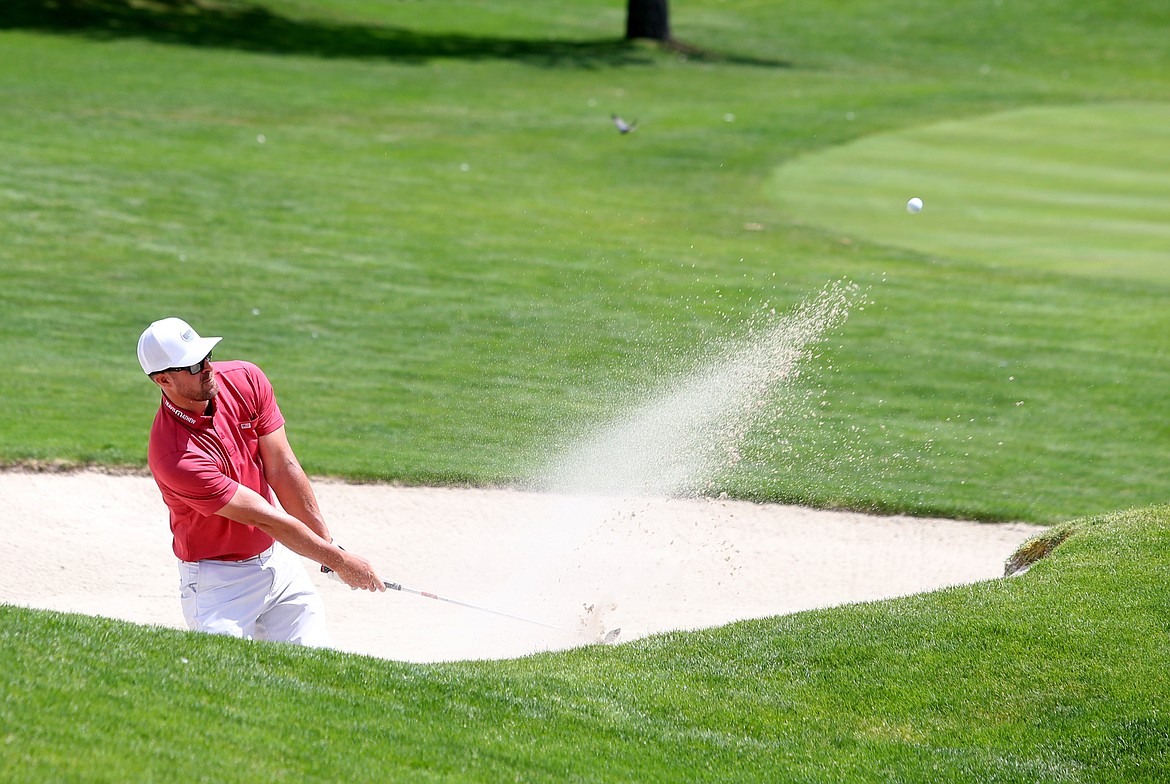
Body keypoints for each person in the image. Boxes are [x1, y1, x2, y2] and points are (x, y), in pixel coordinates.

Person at [137, 317, 385, 647]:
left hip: (278, 563)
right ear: (163, 379)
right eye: (194, 365)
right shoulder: (175, 456)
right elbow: (262, 516)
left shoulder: (245, 380)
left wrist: (327, 545)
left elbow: (282, 468)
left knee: (316, 662)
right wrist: (337, 561)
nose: (208, 367)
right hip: (220, 584)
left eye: (207, 355)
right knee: (227, 682)